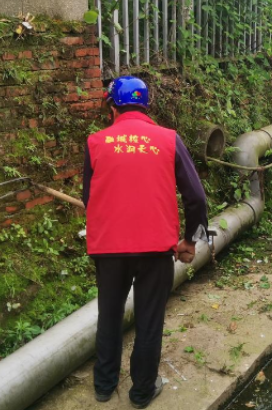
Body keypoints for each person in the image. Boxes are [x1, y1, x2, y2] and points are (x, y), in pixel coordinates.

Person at [82, 76, 208, 408]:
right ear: (146, 105)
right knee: (149, 321)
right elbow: (196, 198)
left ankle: (104, 386)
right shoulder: (168, 139)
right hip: (156, 249)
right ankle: (141, 392)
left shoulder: (96, 142)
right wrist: (191, 241)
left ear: (112, 107)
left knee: (108, 316)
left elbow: (88, 198)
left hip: (108, 250)